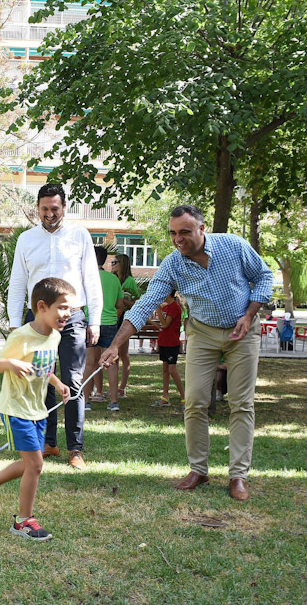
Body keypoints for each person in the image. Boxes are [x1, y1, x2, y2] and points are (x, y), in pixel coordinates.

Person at [99, 205, 273, 501]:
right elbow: (146, 304)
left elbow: (265, 277)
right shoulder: (172, 264)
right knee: (194, 402)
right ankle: (199, 470)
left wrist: (249, 314)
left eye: (184, 232)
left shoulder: (233, 245)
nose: (177, 239)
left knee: (242, 404)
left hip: (242, 331)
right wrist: (115, 344)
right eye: (173, 233)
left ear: (202, 229)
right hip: (202, 333)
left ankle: (238, 476)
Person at [7, 183, 101, 470]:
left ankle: (75, 449)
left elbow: (91, 279)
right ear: (37, 208)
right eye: (45, 209)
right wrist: (14, 324)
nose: (50, 214)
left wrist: (95, 320)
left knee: (73, 381)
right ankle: (48, 443)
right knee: (41, 380)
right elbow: (18, 282)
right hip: (38, 321)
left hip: (72, 318)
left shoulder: (80, 235)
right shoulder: (26, 239)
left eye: (55, 208)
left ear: (64, 208)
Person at [0, 277, 74, 541]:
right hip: (16, 409)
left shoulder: (55, 336)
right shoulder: (21, 336)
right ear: (42, 307)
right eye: (62, 307)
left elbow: (44, 368)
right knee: (36, 464)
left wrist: (58, 383)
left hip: (37, 409)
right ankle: (23, 521)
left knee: (30, 463)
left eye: (70, 308)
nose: (68, 313)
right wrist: (12, 364)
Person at [82, 246, 125, 411]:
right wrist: (113, 316)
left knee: (89, 363)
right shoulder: (113, 279)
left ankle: (85, 401)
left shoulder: (86, 277)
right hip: (110, 323)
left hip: (91, 323)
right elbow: (120, 305)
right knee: (111, 362)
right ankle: (114, 401)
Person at [151, 289, 185, 407]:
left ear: (169, 294)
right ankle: (165, 397)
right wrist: (149, 320)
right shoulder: (165, 307)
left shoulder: (174, 307)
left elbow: (166, 324)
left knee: (172, 370)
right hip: (164, 342)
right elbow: (162, 326)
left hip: (172, 343)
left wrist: (158, 311)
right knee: (165, 370)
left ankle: (184, 397)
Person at [113, 253, 140, 398]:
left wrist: (123, 301)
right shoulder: (113, 279)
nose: (112, 265)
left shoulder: (129, 281)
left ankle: (122, 387)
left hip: (124, 319)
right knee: (114, 355)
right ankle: (114, 386)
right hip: (113, 318)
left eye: (115, 262)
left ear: (122, 264)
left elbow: (136, 303)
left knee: (123, 353)